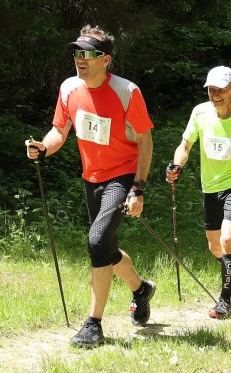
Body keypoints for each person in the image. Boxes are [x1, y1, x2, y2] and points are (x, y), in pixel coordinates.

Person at [26, 24, 155, 348]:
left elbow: (145, 140)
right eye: (77, 53)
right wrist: (43, 147)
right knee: (107, 250)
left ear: (106, 59)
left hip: (122, 176)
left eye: (88, 54)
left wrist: (138, 187)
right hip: (91, 178)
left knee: (97, 241)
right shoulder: (69, 89)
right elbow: (59, 130)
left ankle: (93, 324)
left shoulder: (127, 92)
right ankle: (141, 289)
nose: (80, 59)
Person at [166, 66, 231, 319]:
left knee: (228, 238)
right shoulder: (200, 113)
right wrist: (176, 166)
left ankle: (224, 301)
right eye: (211, 89)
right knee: (214, 246)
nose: (215, 94)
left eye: (221, 90)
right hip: (211, 187)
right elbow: (185, 145)